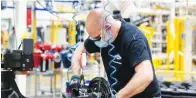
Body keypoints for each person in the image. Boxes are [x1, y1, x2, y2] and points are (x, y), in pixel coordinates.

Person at [70, 9, 161, 98]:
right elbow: (79, 50)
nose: (95, 41)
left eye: (97, 37)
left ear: (108, 27)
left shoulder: (133, 38)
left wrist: (119, 96)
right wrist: (75, 78)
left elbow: (146, 76)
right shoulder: (101, 37)